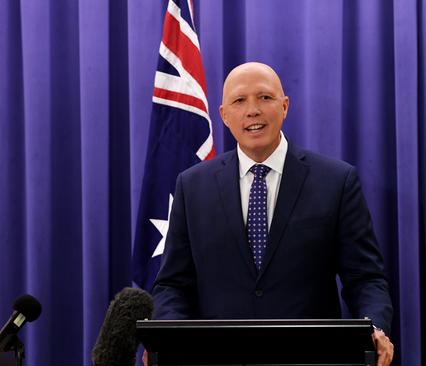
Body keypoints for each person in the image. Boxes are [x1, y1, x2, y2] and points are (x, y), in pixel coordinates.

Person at [150, 62, 394, 365]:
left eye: (265, 98)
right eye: (240, 101)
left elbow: (365, 279)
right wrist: (168, 336)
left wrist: (375, 327)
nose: (253, 110)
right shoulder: (192, 186)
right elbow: (173, 284)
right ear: (224, 115)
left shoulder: (336, 181)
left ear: (285, 106)